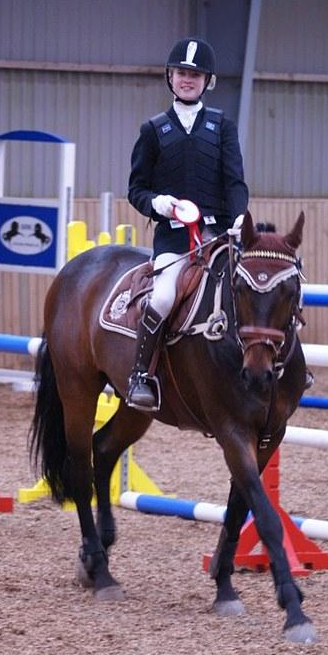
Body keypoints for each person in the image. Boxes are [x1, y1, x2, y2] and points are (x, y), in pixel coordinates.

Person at [126, 36, 248, 410]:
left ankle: (273, 367)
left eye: (195, 75)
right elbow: (136, 189)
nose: (187, 80)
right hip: (175, 240)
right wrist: (158, 204)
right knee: (162, 297)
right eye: (181, 73)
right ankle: (140, 376)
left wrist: (240, 216)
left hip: (220, 235)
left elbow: (234, 180)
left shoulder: (222, 126)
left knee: (257, 290)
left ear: (207, 80)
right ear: (170, 76)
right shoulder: (153, 129)